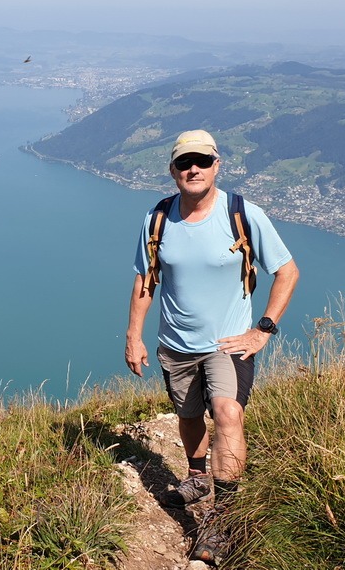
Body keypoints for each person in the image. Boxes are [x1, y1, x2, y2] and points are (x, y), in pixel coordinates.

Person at [124, 129, 299, 564]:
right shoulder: (159, 217)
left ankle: (224, 517)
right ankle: (197, 476)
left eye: (202, 160)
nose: (193, 169)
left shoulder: (242, 213)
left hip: (229, 342)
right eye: (185, 163)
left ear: (217, 165)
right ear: (173, 171)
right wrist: (133, 335)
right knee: (187, 416)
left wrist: (263, 329)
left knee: (227, 412)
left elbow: (288, 271)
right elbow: (146, 278)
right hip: (176, 344)